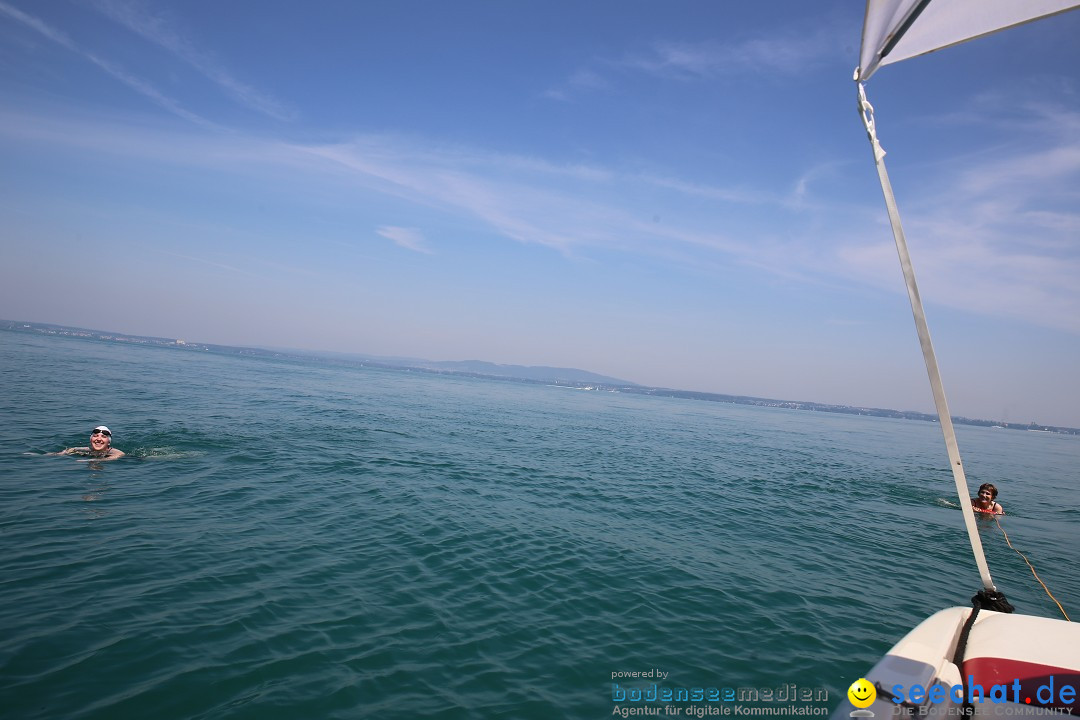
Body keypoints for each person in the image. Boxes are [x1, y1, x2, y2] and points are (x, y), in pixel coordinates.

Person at [56, 426, 125, 461]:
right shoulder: (87, 449)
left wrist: (90, 460)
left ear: (109, 442)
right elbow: (72, 449)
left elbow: (119, 455)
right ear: (91, 440)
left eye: (103, 437)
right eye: (95, 436)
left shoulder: (114, 452)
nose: (98, 439)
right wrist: (63, 453)